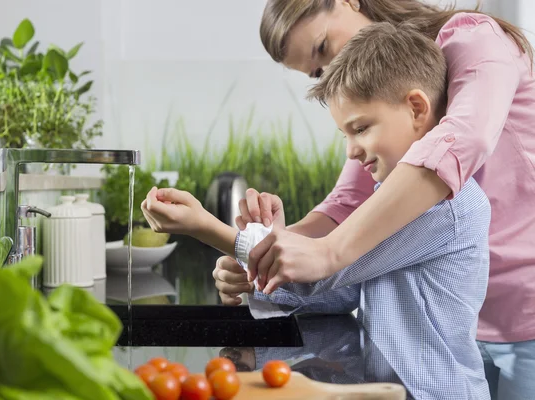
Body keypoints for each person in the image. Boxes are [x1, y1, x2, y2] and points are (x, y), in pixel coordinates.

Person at [142, 22, 491, 399]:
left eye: (360, 128)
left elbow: (326, 274)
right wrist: (259, 268)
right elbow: (343, 292)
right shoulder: (385, 198)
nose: (351, 151)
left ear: (417, 108)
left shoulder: (445, 205)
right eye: (345, 135)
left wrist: (207, 229)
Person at [214, 1, 535, 399]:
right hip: (456, 323)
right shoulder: (385, 105)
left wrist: (328, 253)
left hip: (527, 307)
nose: (330, 69)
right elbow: (348, 204)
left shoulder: (473, 40)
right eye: (318, 71)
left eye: (322, 48)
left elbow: (464, 137)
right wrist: (266, 252)